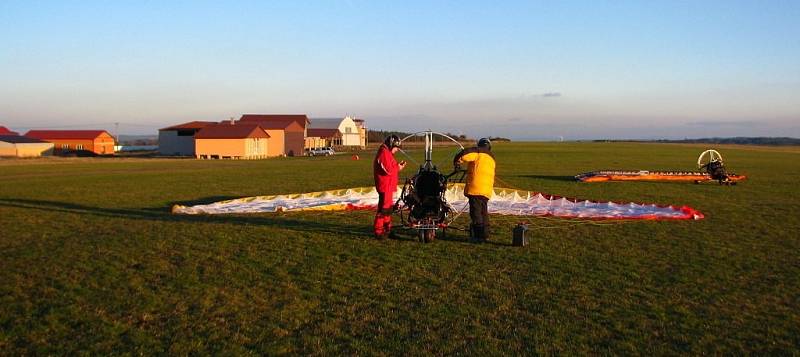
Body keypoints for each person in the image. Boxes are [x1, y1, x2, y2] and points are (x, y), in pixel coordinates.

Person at [453, 138, 496, 243]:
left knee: (476, 213)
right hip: (486, 190)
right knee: (483, 212)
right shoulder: (492, 158)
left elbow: (464, 154)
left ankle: (478, 236)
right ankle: (485, 234)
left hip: (476, 188)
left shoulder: (478, 152)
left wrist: (457, 162)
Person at [373, 135, 406, 239]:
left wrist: (398, 166)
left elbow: (390, 168)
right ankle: (379, 231)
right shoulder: (383, 153)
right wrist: (398, 167)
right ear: (392, 145)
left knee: (387, 209)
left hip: (388, 186)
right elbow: (388, 170)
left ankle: (387, 230)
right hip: (385, 186)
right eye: (396, 148)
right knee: (383, 210)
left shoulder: (387, 153)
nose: (397, 150)